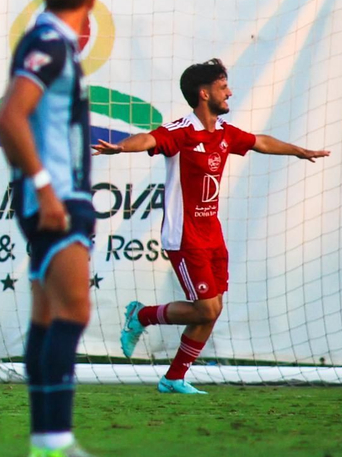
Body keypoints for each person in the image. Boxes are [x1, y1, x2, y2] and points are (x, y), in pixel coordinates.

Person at [99, 59, 329, 393]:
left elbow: (259, 142)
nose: (230, 92)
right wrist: (121, 147)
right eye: (223, 87)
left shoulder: (223, 134)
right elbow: (149, 139)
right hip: (185, 236)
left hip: (212, 235)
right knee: (206, 308)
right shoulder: (181, 132)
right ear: (204, 94)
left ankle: (174, 377)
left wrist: (297, 151)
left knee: (213, 310)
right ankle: (143, 316)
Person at [0, 0, 115, 457]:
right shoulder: (49, 44)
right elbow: (9, 116)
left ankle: (46, 445)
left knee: (46, 317)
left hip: (55, 198)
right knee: (74, 312)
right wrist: (43, 188)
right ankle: (55, 441)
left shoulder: (48, 41)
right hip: (59, 201)